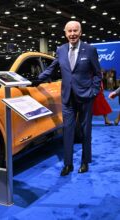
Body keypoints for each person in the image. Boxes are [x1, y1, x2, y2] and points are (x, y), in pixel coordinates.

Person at [38, 20, 102, 176]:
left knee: (86, 131)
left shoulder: (90, 50)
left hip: (86, 97)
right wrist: (35, 80)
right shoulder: (60, 50)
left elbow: (98, 74)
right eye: (69, 31)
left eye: (75, 31)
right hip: (67, 98)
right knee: (68, 131)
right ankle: (68, 164)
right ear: (65, 33)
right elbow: (52, 69)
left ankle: (85, 161)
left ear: (80, 32)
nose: (72, 34)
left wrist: (93, 92)